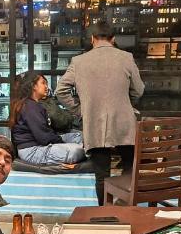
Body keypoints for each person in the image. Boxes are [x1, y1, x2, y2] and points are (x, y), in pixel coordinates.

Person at [55, 20, 145, 202]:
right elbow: (139, 90)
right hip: (124, 124)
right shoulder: (126, 57)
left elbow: (60, 91)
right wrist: (126, 103)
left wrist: (80, 110)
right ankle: (126, 209)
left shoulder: (78, 61)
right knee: (129, 170)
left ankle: (105, 214)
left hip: (94, 124)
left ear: (92, 39)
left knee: (102, 175)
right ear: (113, 39)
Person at [10, 71, 85, 166]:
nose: (46, 87)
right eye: (43, 83)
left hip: (41, 144)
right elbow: (44, 137)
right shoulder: (30, 107)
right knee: (76, 151)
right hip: (32, 151)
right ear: (33, 86)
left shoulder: (33, 105)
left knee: (79, 136)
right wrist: (63, 143)